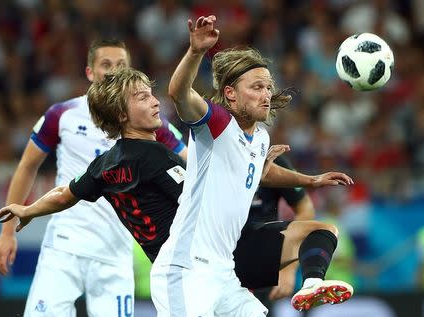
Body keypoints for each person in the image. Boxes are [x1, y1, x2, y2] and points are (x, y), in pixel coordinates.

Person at [151, 15, 354, 316]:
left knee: (322, 230)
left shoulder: (260, 137)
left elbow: (259, 172)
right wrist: (195, 52)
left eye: (269, 87)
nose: (267, 95)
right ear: (230, 93)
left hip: (224, 272)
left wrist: (310, 180)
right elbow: (180, 93)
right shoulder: (217, 123)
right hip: (187, 269)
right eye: (257, 87)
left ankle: (311, 282)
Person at [0, 40, 186, 317]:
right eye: (106, 65)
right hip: (65, 243)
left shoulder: (145, 119)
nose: (113, 71)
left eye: (121, 65)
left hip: (115, 249)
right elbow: (26, 167)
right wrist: (8, 231)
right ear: (90, 73)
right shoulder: (62, 115)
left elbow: (190, 163)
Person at [247, 155, 316, 316]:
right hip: (215, 259)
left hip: (258, 265)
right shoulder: (214, 151)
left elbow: (305, 209)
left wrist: (287, 268)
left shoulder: (271, 159)